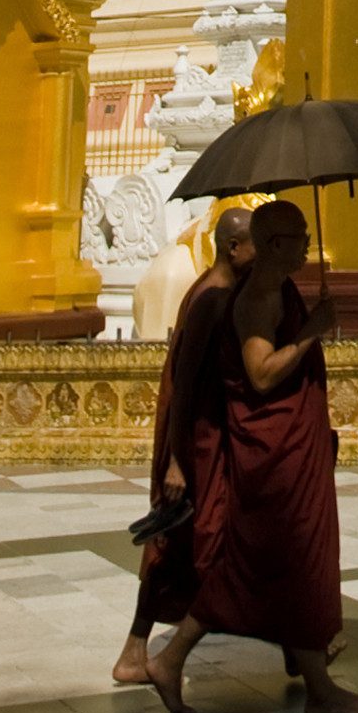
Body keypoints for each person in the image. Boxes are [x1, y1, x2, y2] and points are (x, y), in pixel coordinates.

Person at [148, 199, 358, 713]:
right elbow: (261, 375)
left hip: (291, 449)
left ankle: (314, 682)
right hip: (271, 456)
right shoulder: (257, 300)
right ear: (274, 245)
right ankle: (173, 658)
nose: (308, 246)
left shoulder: (279, 290)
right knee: (279, 562)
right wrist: (311, 330)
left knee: (291, 567)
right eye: (299, 237)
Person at [112, 204, 251, 688]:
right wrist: (175, 460)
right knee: (180, 544)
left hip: (205, 437)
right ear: (234, 247)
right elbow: (184, 384)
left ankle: (138, 650)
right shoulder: (211, 296)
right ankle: (144, 653)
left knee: (188, 543)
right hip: (190, 442)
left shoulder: (222, 290)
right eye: (257, 244)